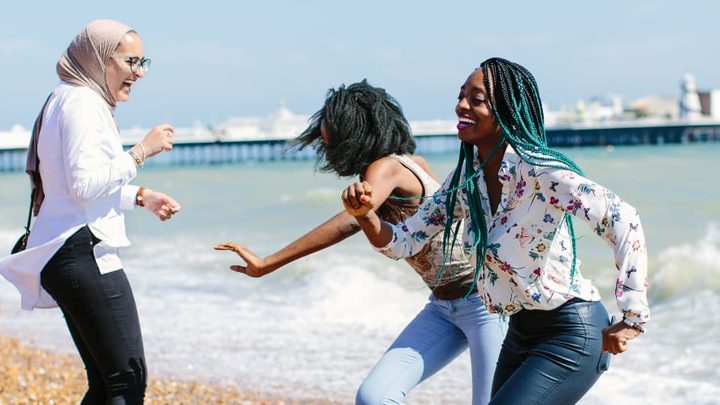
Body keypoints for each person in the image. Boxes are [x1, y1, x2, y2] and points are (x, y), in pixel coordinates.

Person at [341, 57, 650, 404]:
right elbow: (403, 242)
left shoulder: (537, 170)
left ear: (506, 110)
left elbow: (623, 218)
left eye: (477, 99)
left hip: (569, 335)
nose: (461, 105)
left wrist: (632, 317)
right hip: (518, 334)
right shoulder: (467, 179)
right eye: (461, 96)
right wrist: (365, 215)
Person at [214, 80, 506, 405]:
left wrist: (269, 263)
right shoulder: (411, 162)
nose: (325, 147)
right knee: (374, 397)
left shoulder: (387, 168)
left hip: (484, 305)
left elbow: (351, 220)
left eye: (330, 139)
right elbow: (357, 219)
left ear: (354, 133)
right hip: (442, 307)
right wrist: (269, 263)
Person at [0, 19, 180, 403]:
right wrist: (140, 151)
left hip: (65, 251)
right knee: (126, 380)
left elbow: (68, 188)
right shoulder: (83, 102)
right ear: (99, 57)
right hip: (84, 252)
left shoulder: (65, 98)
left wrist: (139, 197)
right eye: (130, 61)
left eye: (143, 61)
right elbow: (85, 185)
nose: (139, 72)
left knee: (107, 382)